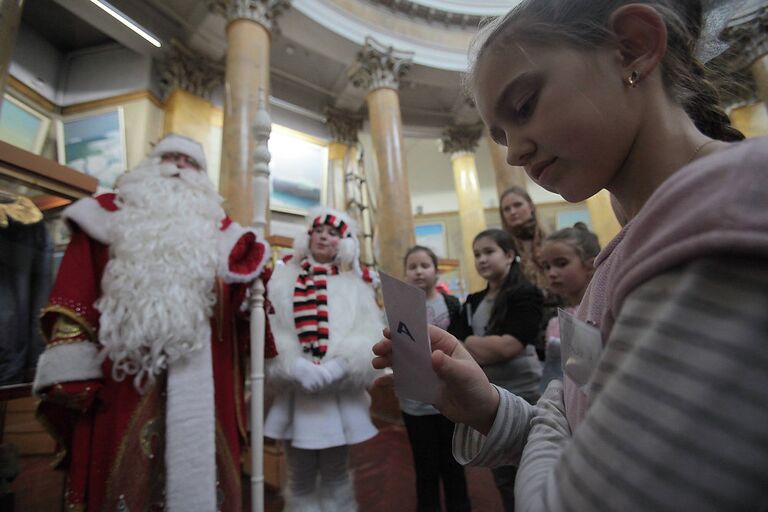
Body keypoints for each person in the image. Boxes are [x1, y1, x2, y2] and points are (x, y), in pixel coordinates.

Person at [374, 0, 768, 510]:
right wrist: (492, 409)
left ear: (633, 47)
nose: (513, 153)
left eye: (524, 106)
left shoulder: (722, 211)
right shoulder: (626, 250)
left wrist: (557, 414)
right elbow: (582, 412)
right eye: (499, 136)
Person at [32, 133, 272, 512]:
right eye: (170, 157)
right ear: (149, 165)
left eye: (189, 162)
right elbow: (76, 290)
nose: (178, 167)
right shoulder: (105, 216)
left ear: (203, 180)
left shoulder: (226, 235)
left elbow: (240, 309)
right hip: (121, 380)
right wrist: (73, 367)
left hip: (205, 381)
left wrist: (252, 288)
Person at [264, 207, 383, 512]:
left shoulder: (356, 286)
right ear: (309, 236)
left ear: (341, 244)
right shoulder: (281, 280)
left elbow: (368, 334)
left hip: (338, 398)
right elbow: (272, 327)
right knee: (299, 476)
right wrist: (293, 364)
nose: (324, 237)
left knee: (337, 474)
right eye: (319, 231)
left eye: (332, 234)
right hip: (296, 397)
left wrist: (340, 365)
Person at [452, 229, 542, 511]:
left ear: (509, 254)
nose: (481, 259)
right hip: (490, 397)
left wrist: (468, 343)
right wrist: (478, 344)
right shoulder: (473, 301)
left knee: (534, 472)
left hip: (527, 394)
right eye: (477, 254)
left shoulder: (526, 293)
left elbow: (509, 347)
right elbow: (456, 346)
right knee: (503, 477)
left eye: (489, 252)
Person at [399, 245, 470, 512]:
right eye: (412, 266)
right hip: (415, 402)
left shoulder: (451, 304)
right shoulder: (400, 307)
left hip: (451, 397)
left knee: (454, 462)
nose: (418, 271)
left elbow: (463, 345)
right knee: (424, 465)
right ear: (405, 273)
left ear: (436, 271)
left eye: (424, 266)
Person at [537, 223, 600, 391]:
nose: (551, 273)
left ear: (590, 265)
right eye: (546, 266)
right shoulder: (555, 322)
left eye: (561, 263)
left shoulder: (598, 313)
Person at [498, 186, 547, 290]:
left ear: (531, 206)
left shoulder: (550, 241)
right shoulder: (502, 247)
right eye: (507, 209)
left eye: (518, 205)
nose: (512, 212)